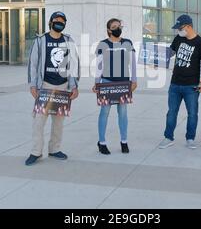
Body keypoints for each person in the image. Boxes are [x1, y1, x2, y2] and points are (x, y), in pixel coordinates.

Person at [26, 11, 80, 166]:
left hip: (63, 87)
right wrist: (33, 85)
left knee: (58, 122)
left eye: (62, 20)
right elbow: (33, 64)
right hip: (45, 87)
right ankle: (36, 151)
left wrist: (74, 86)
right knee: (38, 121)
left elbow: (74, 64)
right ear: (50, 22)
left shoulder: (68, 40)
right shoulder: (41, 40)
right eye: (56, 20)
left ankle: (54, 149)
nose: (59, 22)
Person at [159, 14, 201, 150]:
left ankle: (190, 138)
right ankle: (168, 137)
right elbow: (169, 54)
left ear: (188, 27)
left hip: (192, 86)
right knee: (171, 112)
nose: (178, 31)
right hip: (175, 84)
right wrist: (156, 59)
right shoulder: (178, 38)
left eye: (180, 28)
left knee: (192, 113)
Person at [92, 18, 138, 155]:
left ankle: (124, 141)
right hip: (107, 82)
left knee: (123, 113)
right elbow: (99, 65)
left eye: (119, 26)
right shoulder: (103, 44)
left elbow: (133, 63)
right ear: (109, 30)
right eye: (114, 26)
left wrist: (134, 80)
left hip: (123, 83)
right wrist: (97, 82)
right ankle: (102, 142)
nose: (118, 28)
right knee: (104, 112)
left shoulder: (127, 43)